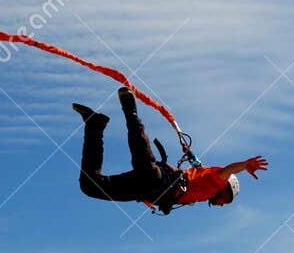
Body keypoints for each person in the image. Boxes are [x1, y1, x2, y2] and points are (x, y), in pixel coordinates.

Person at [74, 88, 267, 213]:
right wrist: (245, 165)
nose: (222, 204)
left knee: (90, 186)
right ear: (226, 189)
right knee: (140, 151)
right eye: (226, 200)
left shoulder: (202, 187)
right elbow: (228, 171)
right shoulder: (215, 183)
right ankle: (129, 106)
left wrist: (149, 198)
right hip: (157, 181)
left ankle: (94, 126)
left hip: (147, 190)